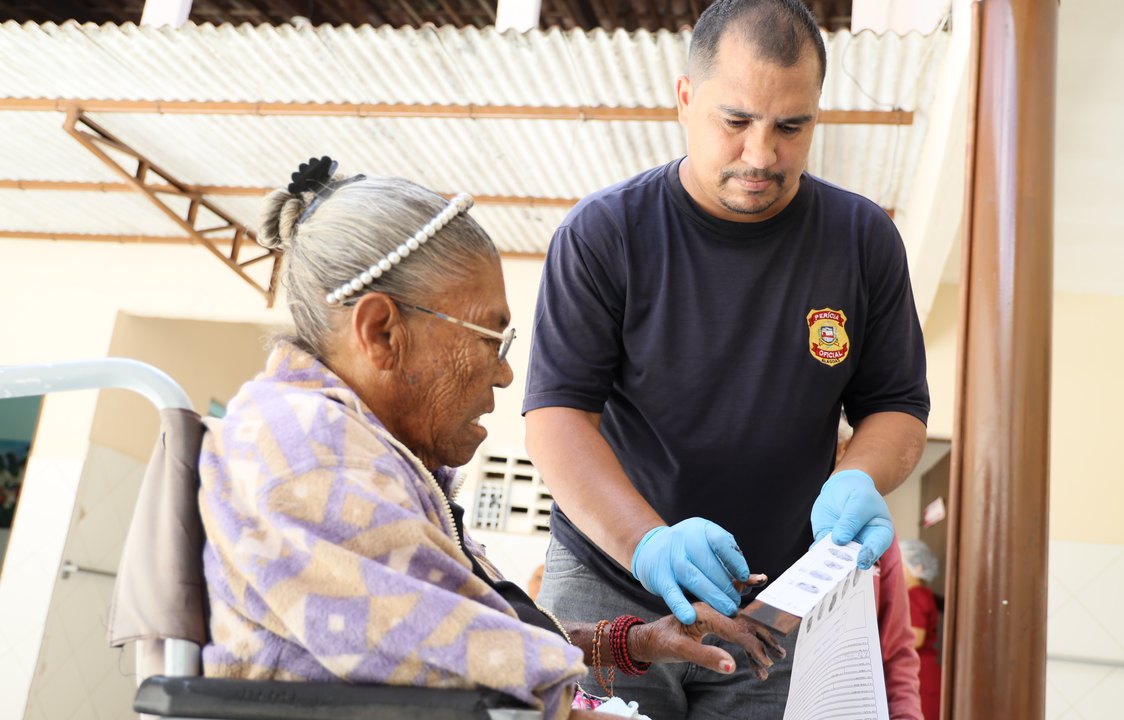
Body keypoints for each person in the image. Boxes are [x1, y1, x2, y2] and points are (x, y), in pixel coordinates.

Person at [198, 158, 784, 720]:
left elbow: (470, 633)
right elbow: (467, 675)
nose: (504, 373)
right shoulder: (304, 451)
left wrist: (635, 642)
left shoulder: (350, 448)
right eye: (488, 338)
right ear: (381, 332)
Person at [522, 0, 930, 716]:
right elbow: (556, 418)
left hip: (776, 602)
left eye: (791, 127)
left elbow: (895, 406)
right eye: (736, 121)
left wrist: (860, 476)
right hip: (606, 581)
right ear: (686, 99)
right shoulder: (604, 234)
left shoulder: (863, 241)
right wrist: (647, 543)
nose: (762, 155)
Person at [900, 539, 943, 720]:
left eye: (901, 565)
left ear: (917, 568)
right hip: (925, 673)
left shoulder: (914, 596)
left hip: (920, 675)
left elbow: (916, 639)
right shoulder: (923, 594)